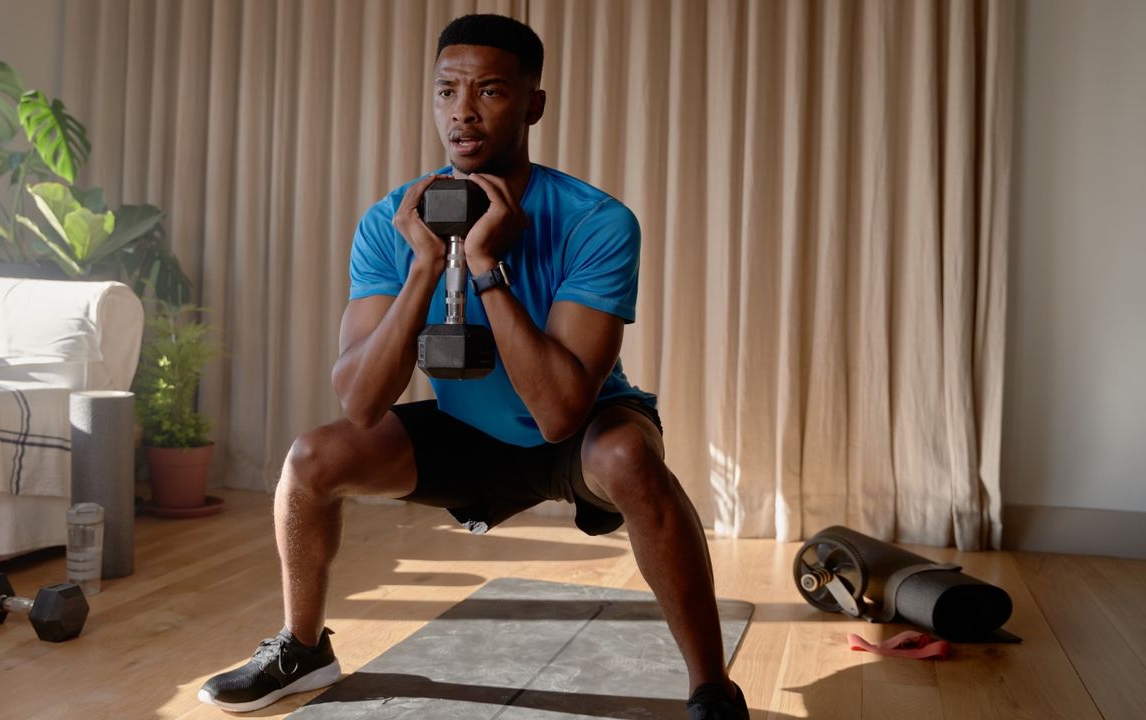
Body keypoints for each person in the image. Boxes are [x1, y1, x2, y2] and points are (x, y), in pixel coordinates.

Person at [198, 13, 749, 720]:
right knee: (311, 460)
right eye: (446, 90)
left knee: (626, 457)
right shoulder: (392, 222)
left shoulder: (597, 221)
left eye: (489, 90)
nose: (462, 110)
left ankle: (710, 687)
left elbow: (559, 411)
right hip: (464, 428)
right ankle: (304, 647)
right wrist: (426, 264)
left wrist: (488, 265)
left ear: (532, 104)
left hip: (575, 431)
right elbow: (361, 403)